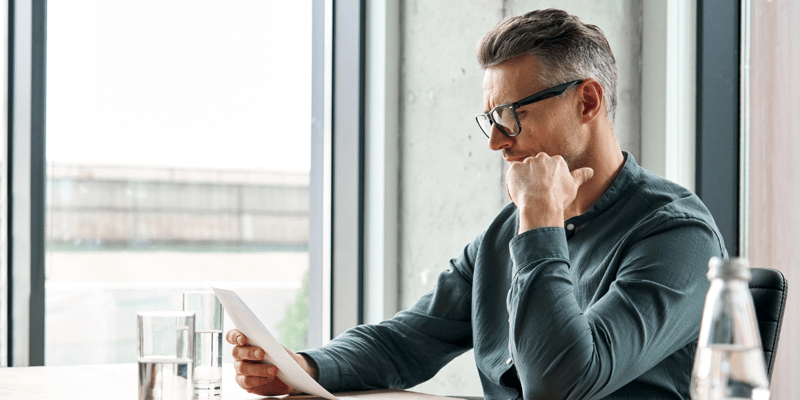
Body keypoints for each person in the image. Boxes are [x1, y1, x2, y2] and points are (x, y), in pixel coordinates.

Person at [227, 9, 726, 400]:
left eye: (511, 116)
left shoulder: (677, 236)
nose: (497, 142)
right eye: (491, 120)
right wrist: (300, 367)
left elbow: (559, 385)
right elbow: (407, 339)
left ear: (588, 102)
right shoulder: (504, 235)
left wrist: (539, 224)